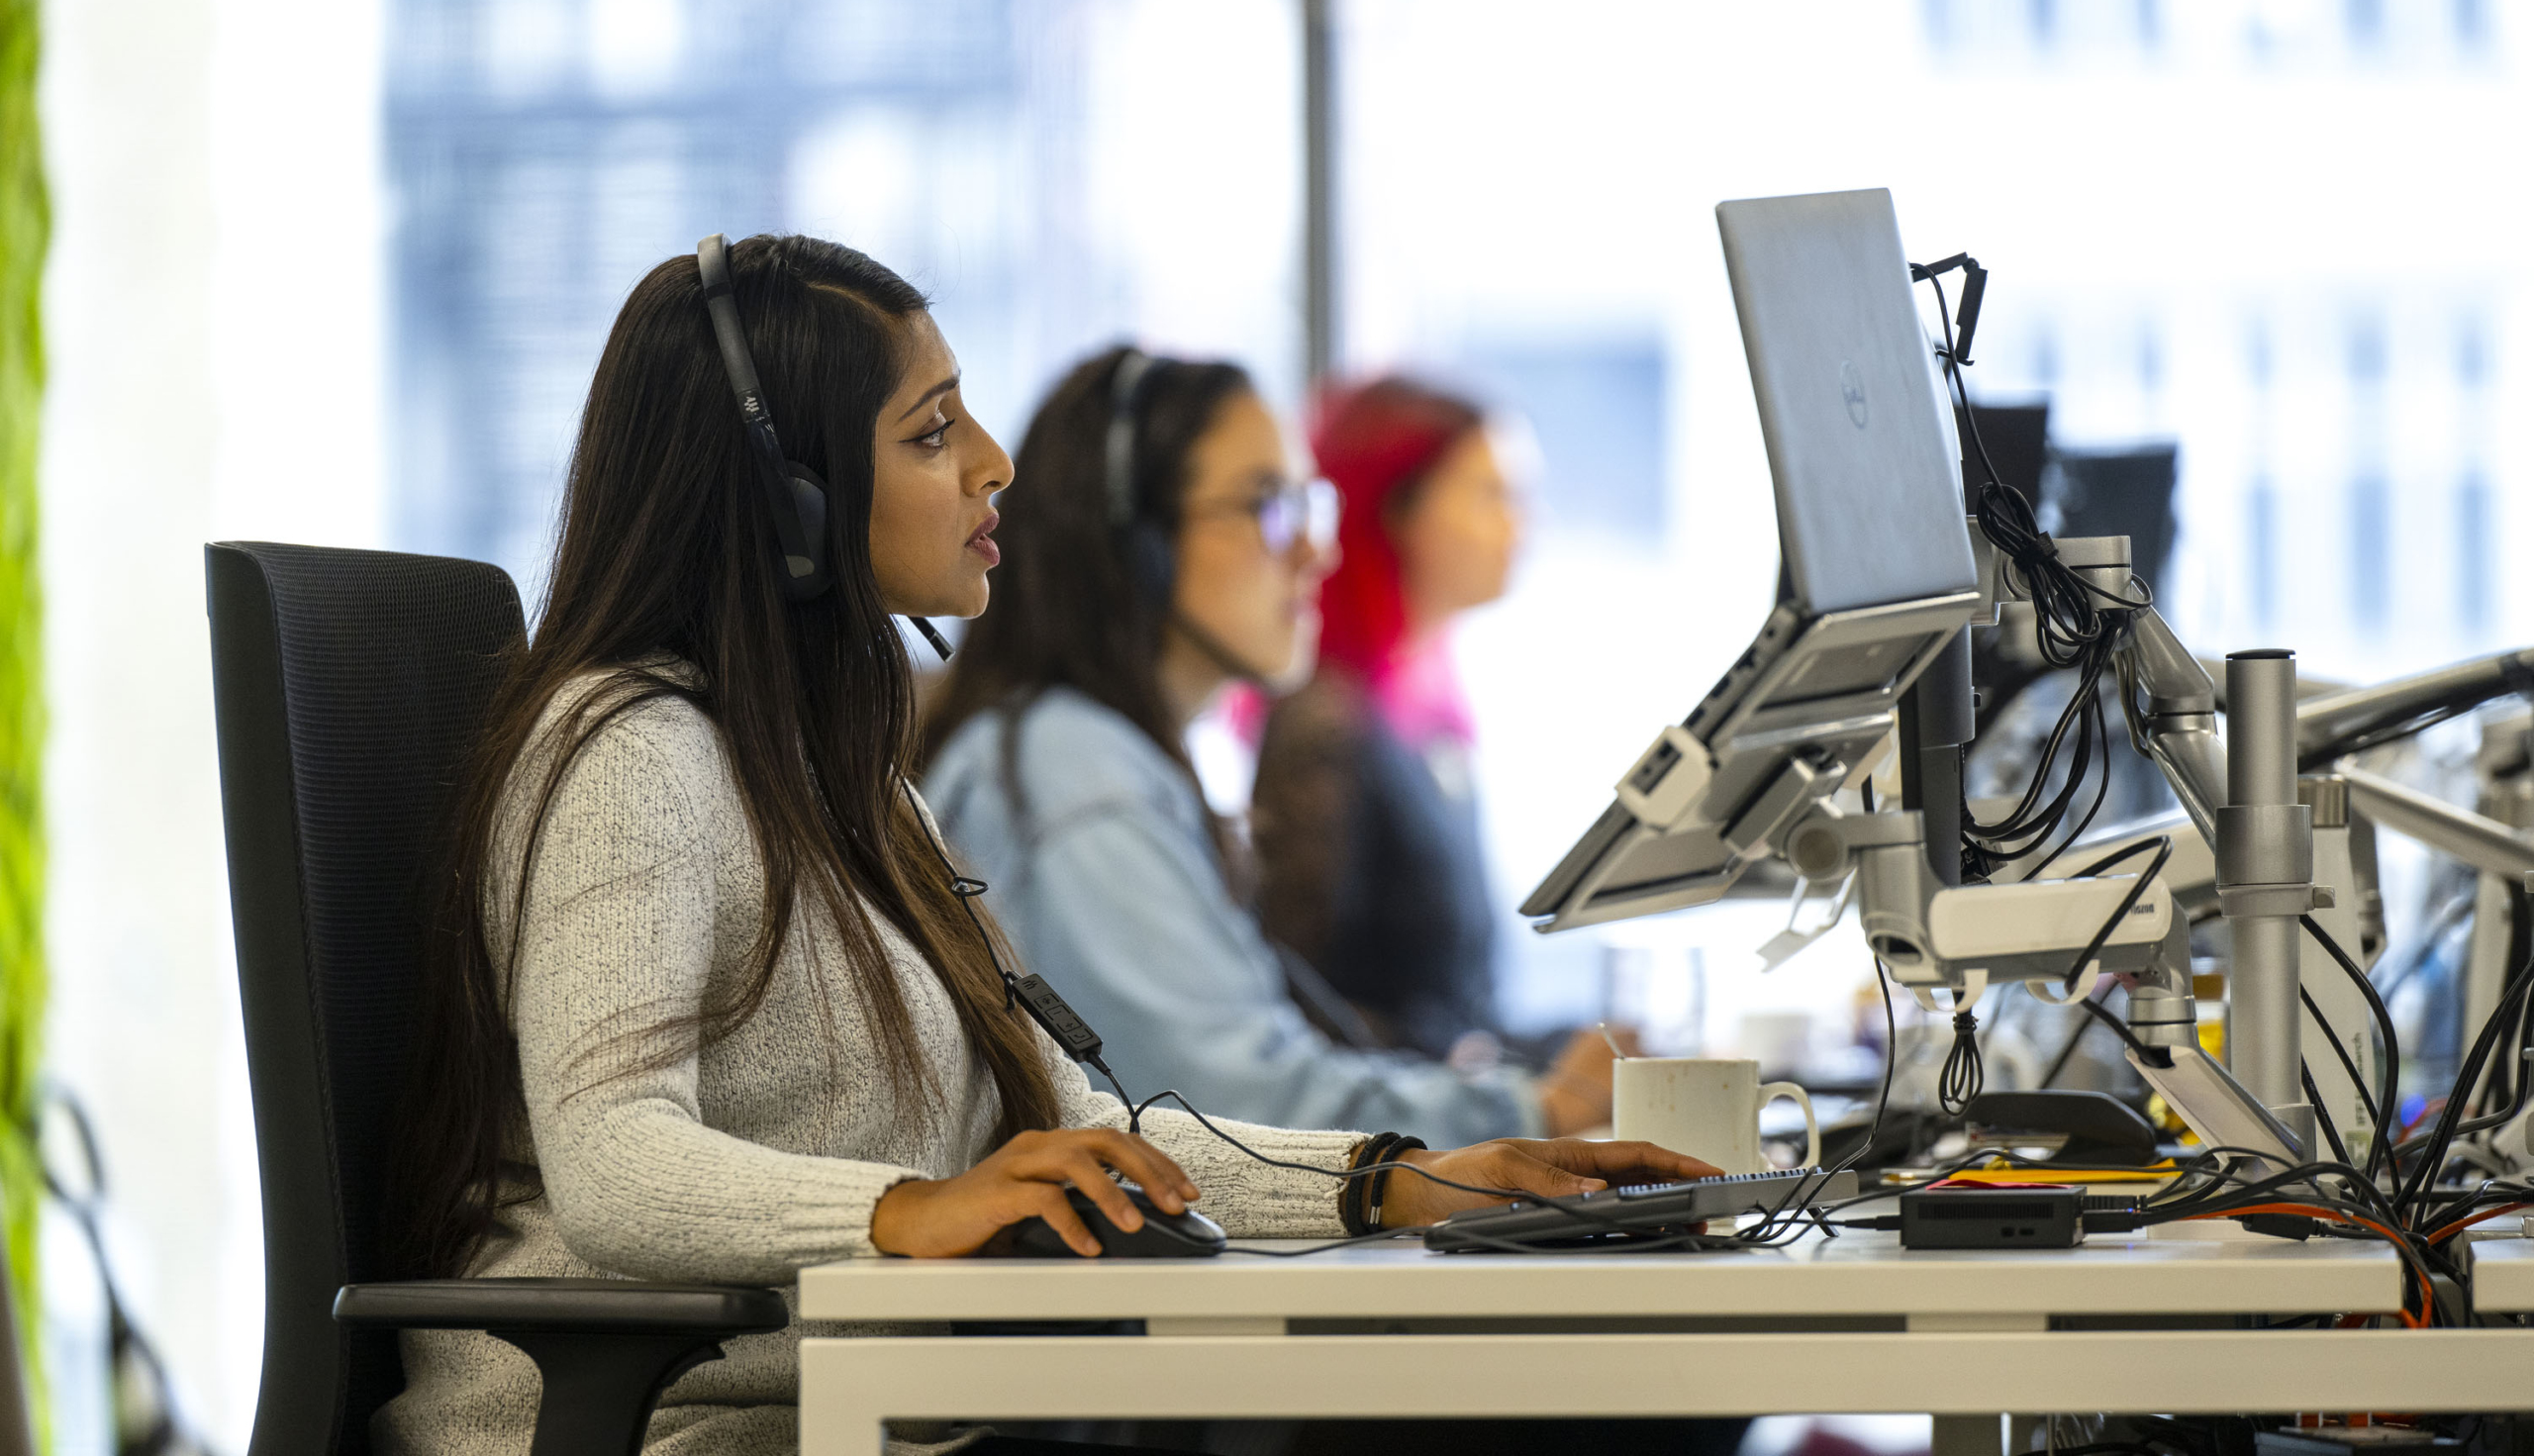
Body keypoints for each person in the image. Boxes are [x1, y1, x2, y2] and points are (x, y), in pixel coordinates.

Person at [376, 238, 1713, 1456]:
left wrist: (1398, 1177)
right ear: (793, 502)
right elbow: (615, 1161)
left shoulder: (843, 781)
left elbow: (1078, 1124)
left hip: (872, 1414)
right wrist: (908, 1209)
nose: (993, 460)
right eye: (932, 429)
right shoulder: (631, 752)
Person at [921, 348, 1621, 1146]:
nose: (1316, 551)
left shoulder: (1105, 759)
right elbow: (1229, 1101)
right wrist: (1536, 1111)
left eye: (1309, 504)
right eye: (1267, 505)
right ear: (1135, 536)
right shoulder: (1072, 771)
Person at [1250, 377, 1519, 1063]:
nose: (1521, 523)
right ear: (1396, 508)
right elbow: (1298, 1001)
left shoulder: (1425, 714)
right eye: (1492, 495)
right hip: (1402, 1136)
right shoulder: (1325, 725)